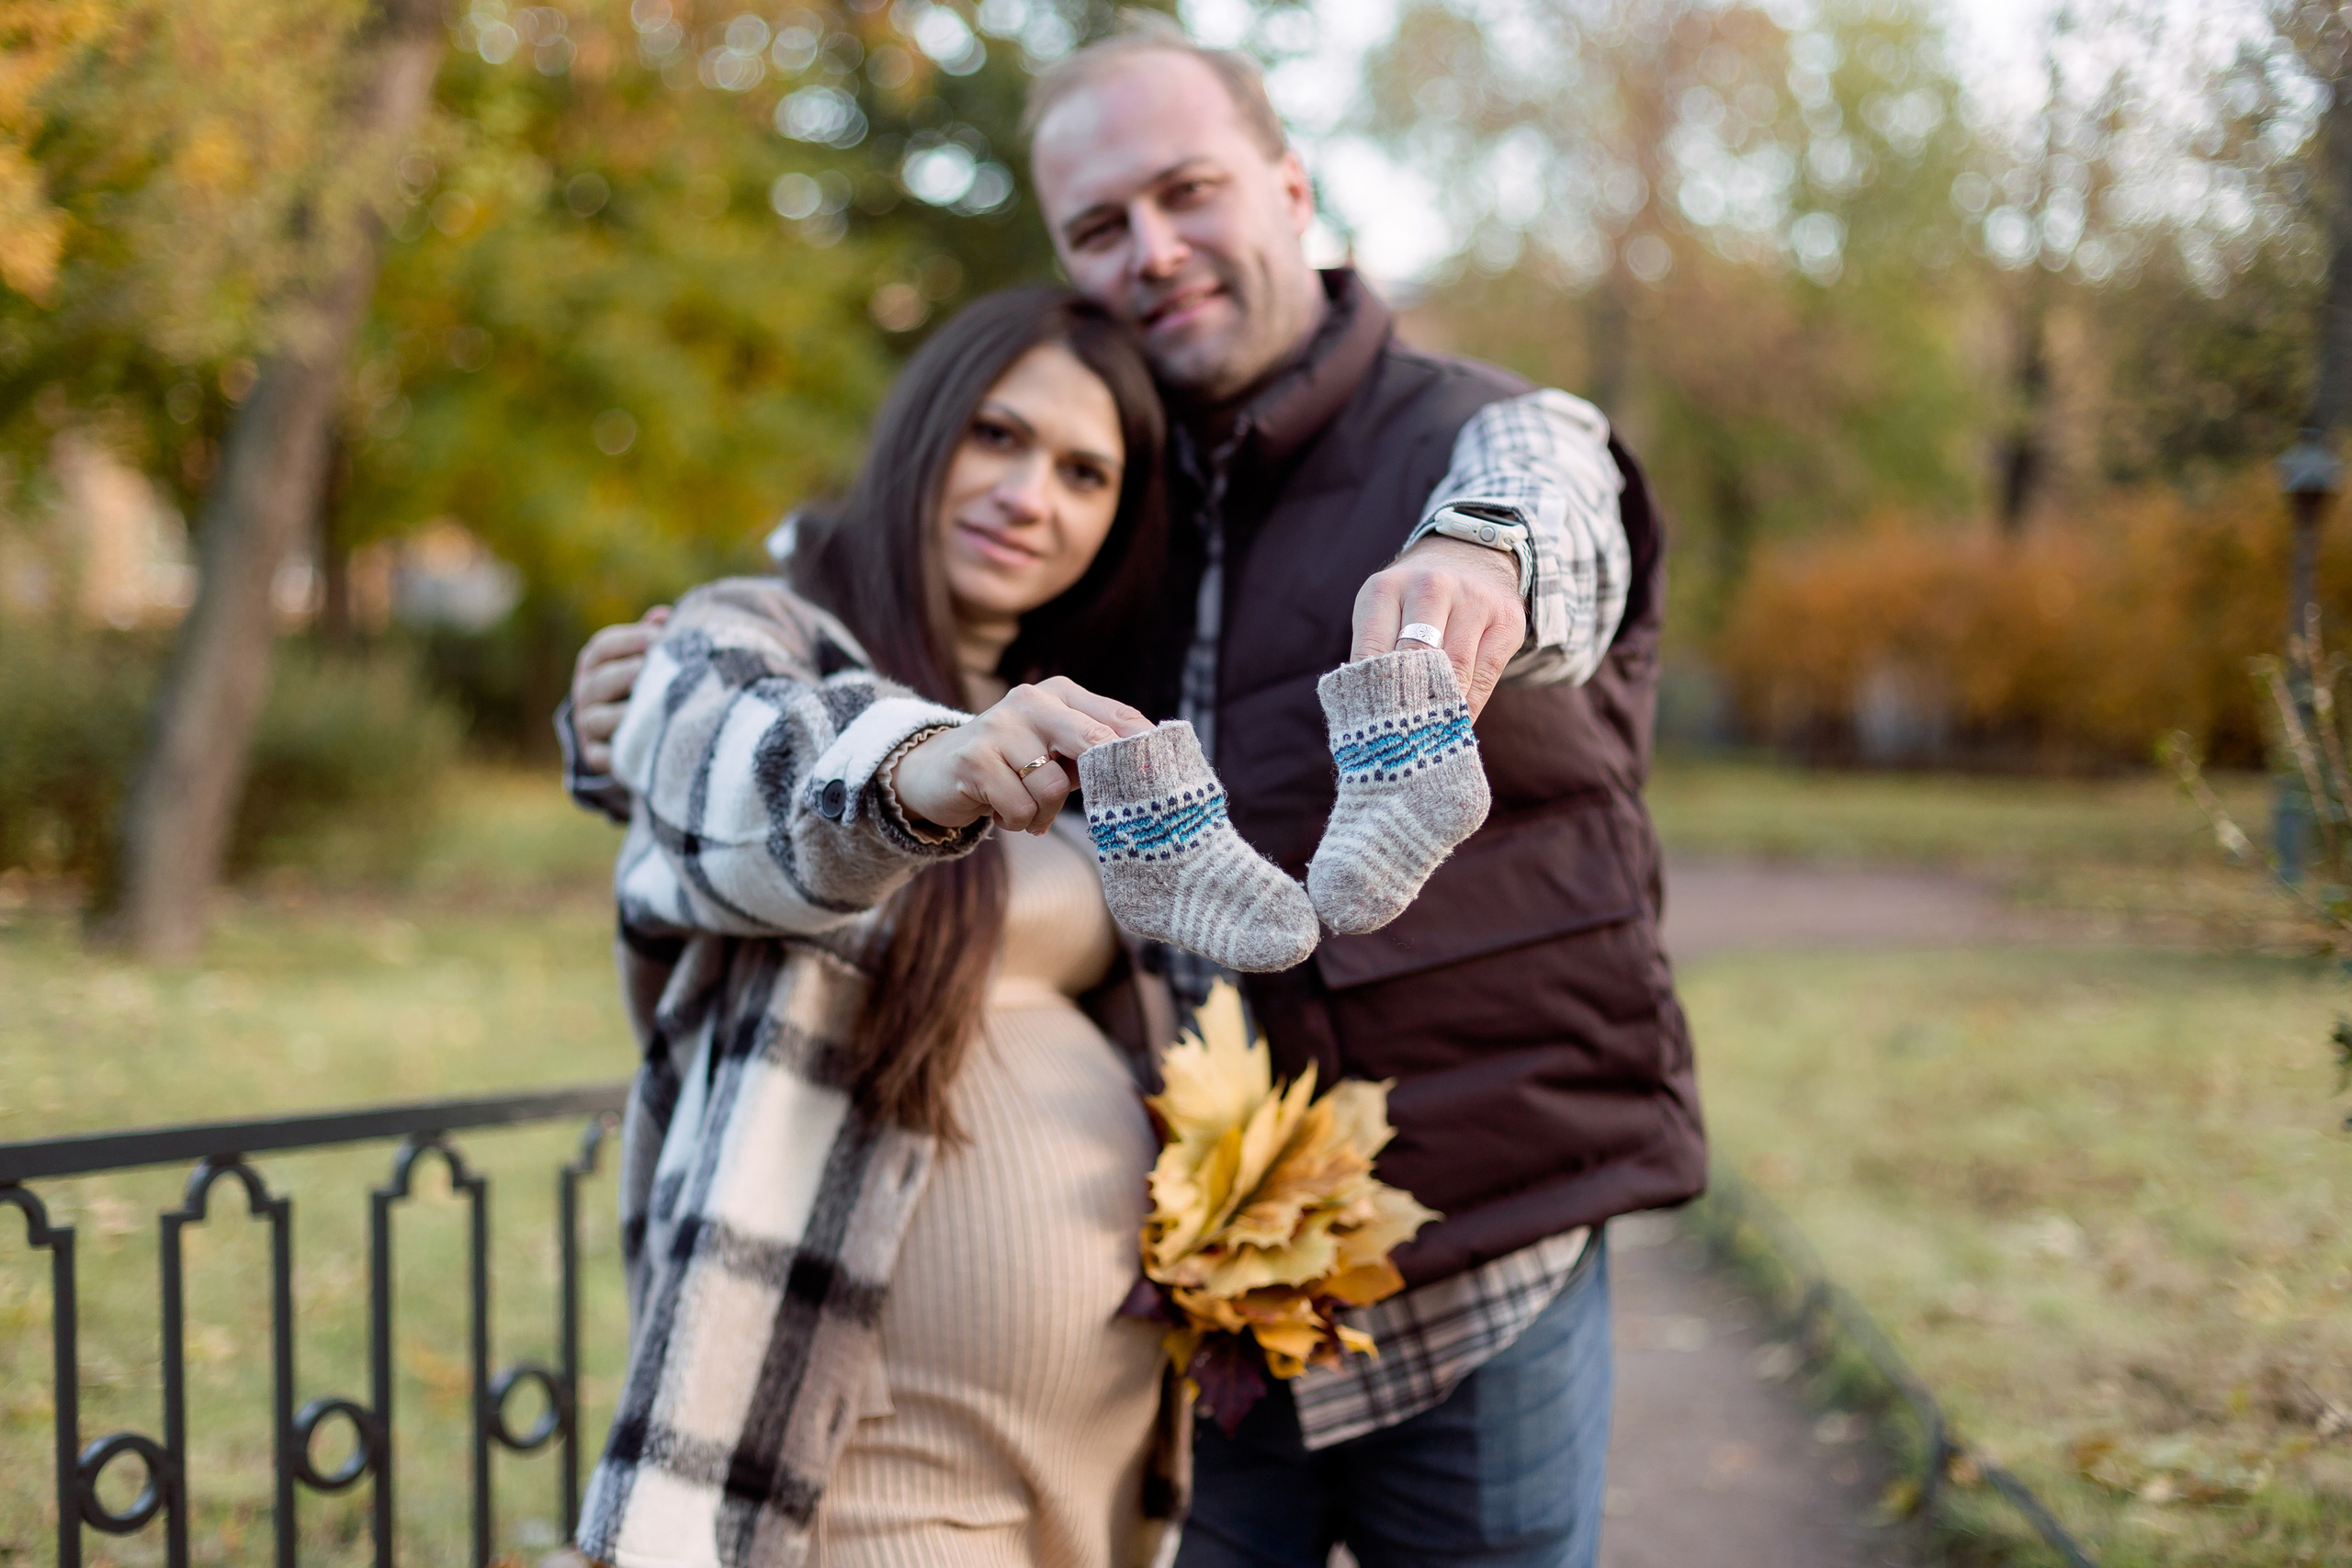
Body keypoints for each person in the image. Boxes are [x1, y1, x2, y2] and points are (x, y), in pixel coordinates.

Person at [570, 18, 1707, 1568]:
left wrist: (1479, 559)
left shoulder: (1473, 430)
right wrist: (626, 728)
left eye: (1188, 191)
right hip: (1188, 1322)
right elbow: (790, 721)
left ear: (1291, 188)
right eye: (1100, 226)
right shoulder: (1108, 530)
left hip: (1476, 1259)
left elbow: (1556, 489)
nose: (1152, 250)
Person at [567, 287, 1194, 1568]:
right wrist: (926, 767)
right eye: (997, 436)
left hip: (1101, 1476)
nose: (1029, 495)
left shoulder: (1088, 711)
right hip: (862, 1461)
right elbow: (741, 769)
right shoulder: (753, 632)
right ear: (924, 430)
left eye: (1084, 473)